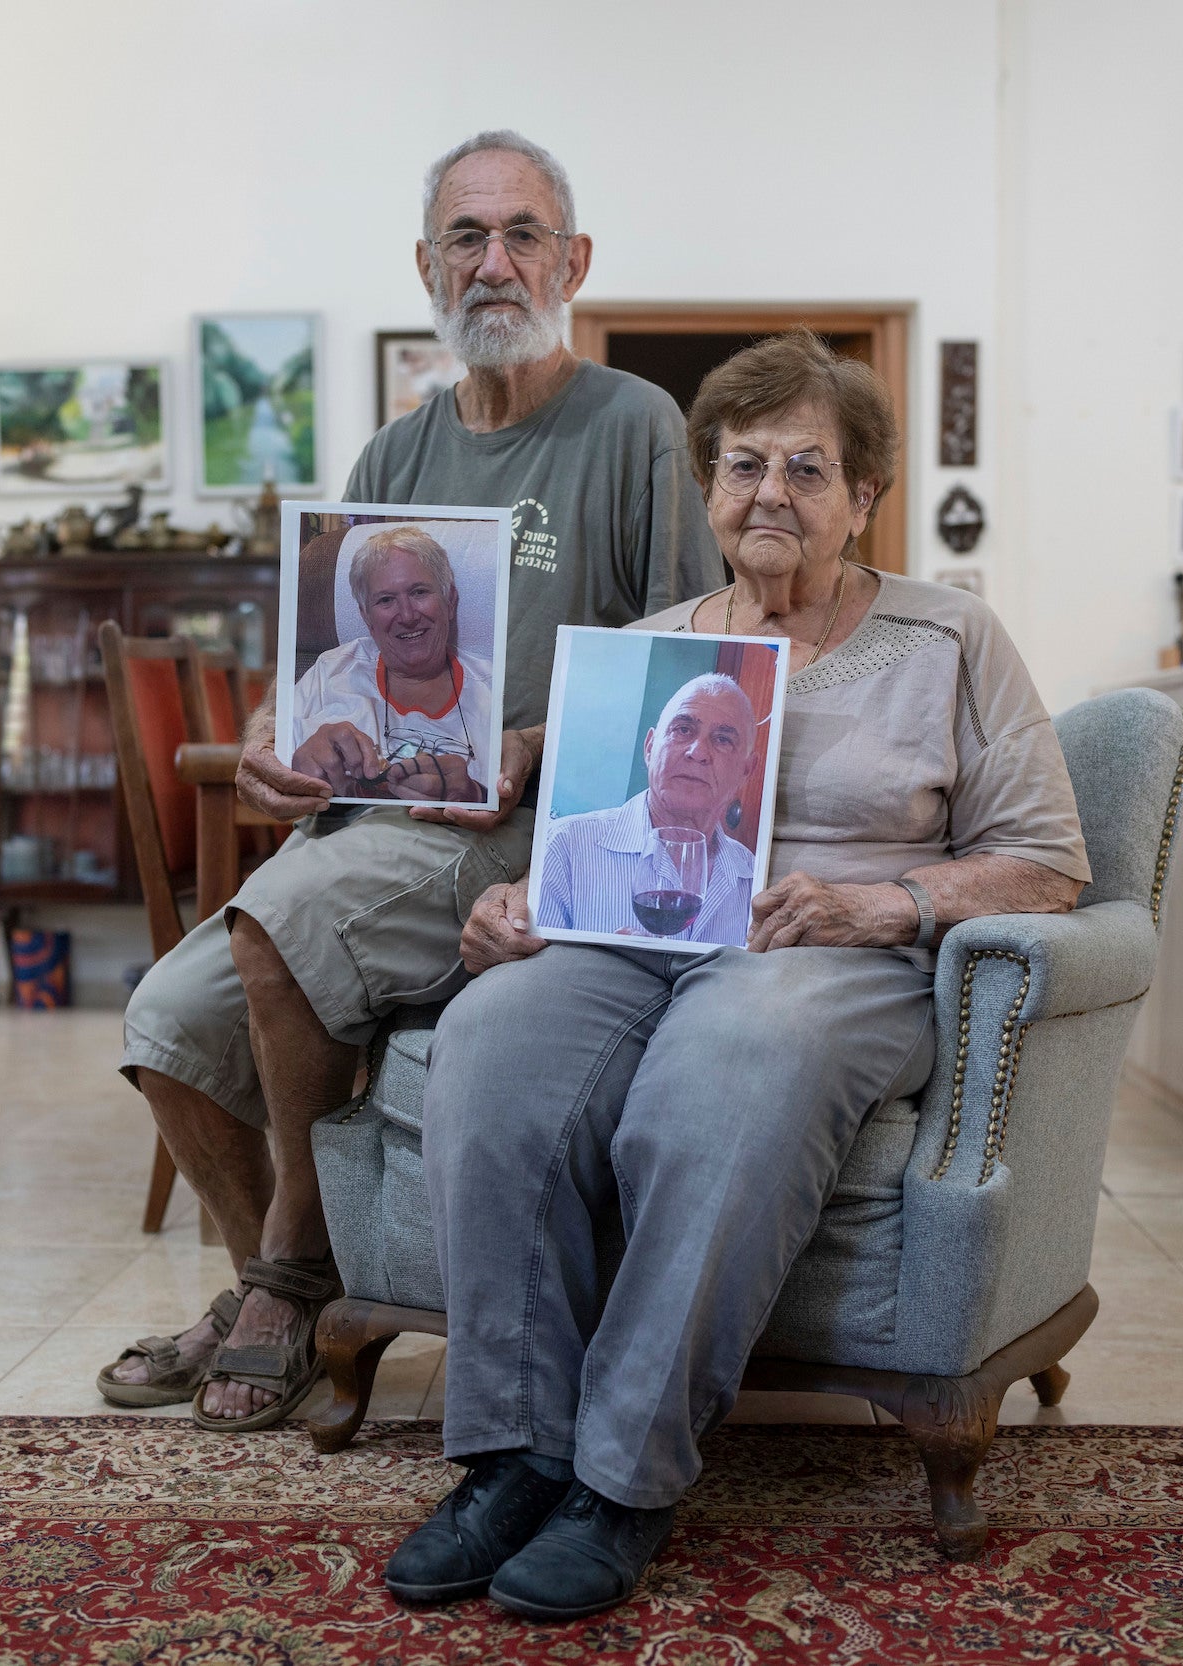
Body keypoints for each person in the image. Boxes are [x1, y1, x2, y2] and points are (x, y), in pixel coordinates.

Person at [384, 330, 1091, 1621]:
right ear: (709, 483)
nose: (772, 491)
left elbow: (1048, 858)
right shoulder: (648, 646)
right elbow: (581, 837)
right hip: (633, 939)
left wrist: (889, 900)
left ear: (864, 494)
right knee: (492, 1041)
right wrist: (516, 901)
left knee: (728, 1063)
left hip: (830, 950)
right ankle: (515, 1452)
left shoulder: (951, 636)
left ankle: (622, 1477)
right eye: (745, 463)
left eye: (809, 468)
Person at [101, 130, 720, 1429]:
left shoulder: (636, 429)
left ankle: (277, 1282)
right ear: (426, 263)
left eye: (523, 235)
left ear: (575, 259)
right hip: (376, 817)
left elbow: (688, 667)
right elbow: (327, 671)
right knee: (162, 1020)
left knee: (283, 919)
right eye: (466, 237)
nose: (494, 264)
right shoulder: (392, 458)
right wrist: (280, 728)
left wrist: (540, 745)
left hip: (525, 825)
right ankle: (285, 1285)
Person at [536, 672, 758, 944]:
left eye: (722, 739)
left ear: (746, 771)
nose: (698, 752)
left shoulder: (754, 878)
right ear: (650, 747)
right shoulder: (565, 846)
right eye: (683, 730)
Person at [291, 523, 497, 803]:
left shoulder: (494, 690)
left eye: (419, 593)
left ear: (450, 601)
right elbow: (271, 766)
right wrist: (297, 762)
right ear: (365, 616)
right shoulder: (329, 673)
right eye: (386, 600)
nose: (408, 615)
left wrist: (476, 795)